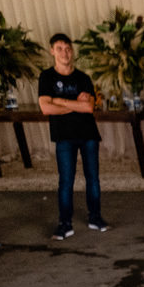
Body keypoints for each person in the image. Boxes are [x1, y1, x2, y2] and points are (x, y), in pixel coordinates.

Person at [38, 33, 108, 239]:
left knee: (92, 178)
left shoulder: (83, 78)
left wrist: (59, 101)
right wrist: (75, 104)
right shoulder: (47, 77)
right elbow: (46, 108)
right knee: (66, 181)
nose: (65, 53)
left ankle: (95, 217)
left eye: (68, 49)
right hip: (64, 136)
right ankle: (65, 223)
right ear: (52, 51)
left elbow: (89, 107)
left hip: (88, 134)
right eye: (60, 49)